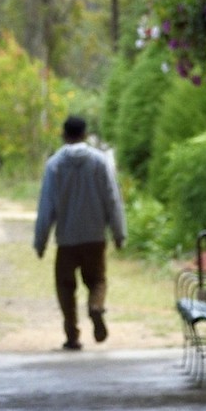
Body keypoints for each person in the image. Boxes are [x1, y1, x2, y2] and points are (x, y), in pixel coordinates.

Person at [33, 113, 127, 350]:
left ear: (64, 135)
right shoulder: (99, 162)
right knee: (97, 281)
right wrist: (119, 233)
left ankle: (72, 335)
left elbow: (46, 206)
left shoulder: (54, 165)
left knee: (65, 288)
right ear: (85, 135)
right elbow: (112, 199)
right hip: (95, 238)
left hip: (66, 240)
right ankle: (96, 307)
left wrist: (40, 241)